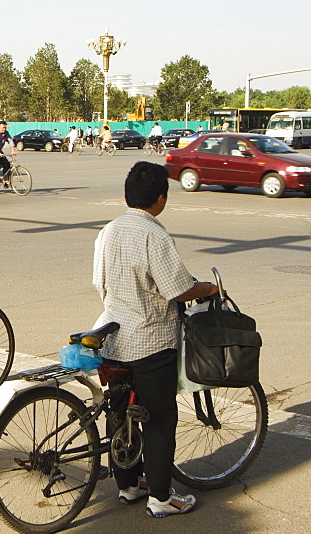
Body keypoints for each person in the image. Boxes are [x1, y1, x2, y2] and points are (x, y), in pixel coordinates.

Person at [92, 161, 219, 518]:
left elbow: (98, 283)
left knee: (119, 416)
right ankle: (162, 499)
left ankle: (129, 486)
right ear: (161, 199)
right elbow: (178, 289)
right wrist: (208, 288)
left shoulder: (109, 230)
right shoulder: (155, 235)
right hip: (150, 344)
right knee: (160, 420)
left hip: (112, 339)